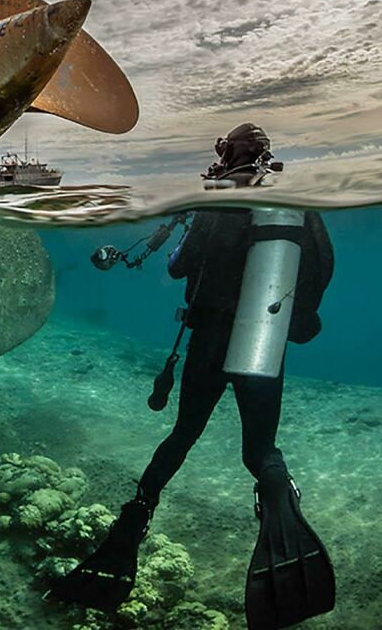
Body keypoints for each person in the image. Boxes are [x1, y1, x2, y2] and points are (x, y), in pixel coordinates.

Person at [51, 123, 336, 630]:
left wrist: (190, 237)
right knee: (260, 451)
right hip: (263, 341)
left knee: (183, 435)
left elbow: (181, 267)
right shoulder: (295, 202)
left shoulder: (218, 201)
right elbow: (322, 264)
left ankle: (134, 518)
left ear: (227, 155)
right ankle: (280, 508)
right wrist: (300, 316)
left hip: (208, 342)